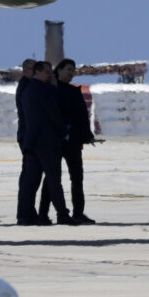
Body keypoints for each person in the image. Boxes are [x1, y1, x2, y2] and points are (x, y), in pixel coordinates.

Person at [15, 60, 67, 225]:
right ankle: (61, 214)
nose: (50, 75)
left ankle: (28, 215)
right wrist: (64, 131)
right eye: (47, 72)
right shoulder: (38, 89)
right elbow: (53, 114)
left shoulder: (29, 88)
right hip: (43, 140)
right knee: (50, 178)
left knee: (31, 180)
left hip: (32, 139)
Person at [55, 59, 97, 225]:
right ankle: (45, 213)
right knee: (52, 179)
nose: (71, 73)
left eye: (73, 70)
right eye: (68, 70)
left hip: (73, 142)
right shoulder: (52, 90)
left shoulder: (74, 91)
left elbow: (82, 118)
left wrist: (87, 136)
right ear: (58, 70)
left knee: (77, 178)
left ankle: (78, 212)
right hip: (57, 141)